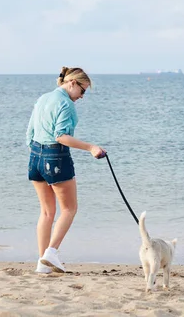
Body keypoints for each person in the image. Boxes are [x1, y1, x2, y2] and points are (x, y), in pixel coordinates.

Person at [26, 67, 106, 274]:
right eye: (83, 91)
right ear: (72, 83)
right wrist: (91, 148)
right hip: (55, 156)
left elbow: (30, 133)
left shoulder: (43, 98)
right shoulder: (66, 104)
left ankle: (42, 263)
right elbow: (60, 136)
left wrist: (38, 154)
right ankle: (51, 253)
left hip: (35, 157)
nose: (82, 96)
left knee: (46, 212)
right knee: (69, 209)